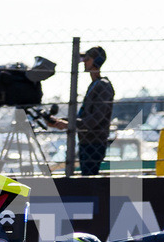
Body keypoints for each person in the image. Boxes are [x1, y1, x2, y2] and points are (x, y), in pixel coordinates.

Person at [48, 46, 115, 175]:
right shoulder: (97, 85)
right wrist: (62, 122)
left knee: (89, 177)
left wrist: (68, 124)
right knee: (88, 176)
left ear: (96, 61)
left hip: (94, 142)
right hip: (89, 141)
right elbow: (87, 118)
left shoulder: (103, 86)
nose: (84, 61)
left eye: (87, 59)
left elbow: (95, 119)